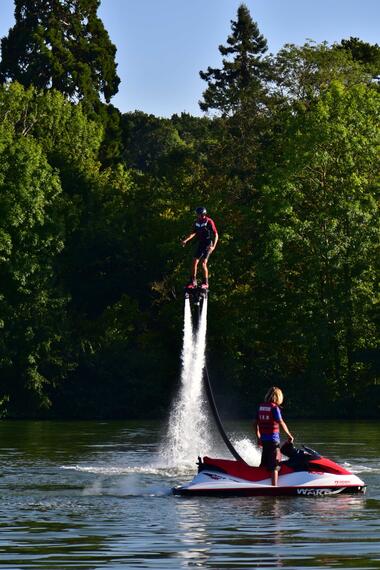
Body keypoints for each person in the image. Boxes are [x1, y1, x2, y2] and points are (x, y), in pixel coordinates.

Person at [254, 386, 294, 486]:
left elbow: (255, 423)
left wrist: (258, 437)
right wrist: (289, 435)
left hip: (264, 440)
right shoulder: (274, 408)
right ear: (279, 397)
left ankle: (257, 482)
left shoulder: (261, 407)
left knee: (264, 464)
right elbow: (281, 422)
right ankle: (274, 487)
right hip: (273, 441)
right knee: (274, 465)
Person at [181, 206, 218, 289]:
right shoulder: (196, 222)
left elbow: (216, 234)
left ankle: (206, 283)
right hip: (201, 244)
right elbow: (193, 233)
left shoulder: (209, 221)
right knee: (194, 262)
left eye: (198, 214)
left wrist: (214, 247)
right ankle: (193, 282)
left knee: (203, 263)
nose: (197, 215)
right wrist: (185, 240)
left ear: (203, 214)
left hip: (208, 244)